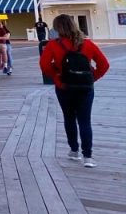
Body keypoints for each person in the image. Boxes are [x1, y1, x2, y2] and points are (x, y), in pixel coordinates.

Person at [39, 14, 110, 168]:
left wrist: (57, 77)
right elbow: (104, 65)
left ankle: (74, 151)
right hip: (85, 88)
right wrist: (91, 78)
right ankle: (88, 157)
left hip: (64, 87)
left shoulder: (53, 45)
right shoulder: (88, 44)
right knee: (85, 120)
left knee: (69, 118)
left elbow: (44, 65)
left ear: (58, 28)